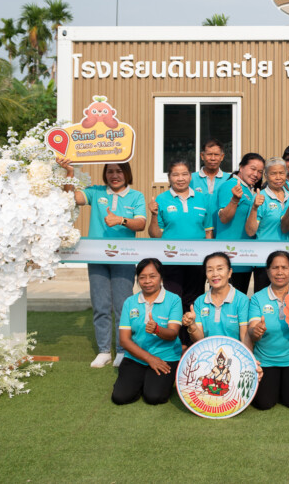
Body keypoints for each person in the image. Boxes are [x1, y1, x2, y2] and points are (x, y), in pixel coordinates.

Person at [58, 159, 146, 369]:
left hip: (124, 258)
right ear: (105, 174)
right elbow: (71, 198)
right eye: (110, 171)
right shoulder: (96, 192)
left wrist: (121, 220)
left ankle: (123, 350)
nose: (114, 175)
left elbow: (141, 223)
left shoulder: (136, 196)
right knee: (100, 305)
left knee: (123, 306)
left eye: (119, 171)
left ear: (127, 173)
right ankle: (104, 351)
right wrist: (69, 172)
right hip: (97, 257)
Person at [148, 159, 212, 334]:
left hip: (197, 261)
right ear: (169, 177)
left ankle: (191, 340)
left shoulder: (202, 198)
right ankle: (174, 340)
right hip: (171, 261)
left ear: (190, 176)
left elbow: (208, 232)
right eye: (175, 175)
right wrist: (153, 215)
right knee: (174, 300)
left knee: (194, 301)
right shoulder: (161, 199)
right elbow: (155, 234)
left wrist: (208, 262)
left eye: (184, 174)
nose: (180, 178)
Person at [111, 258, 182, 405]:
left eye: (152, 276)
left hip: (165, 357)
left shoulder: (174, 300)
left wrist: (157, 329)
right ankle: (141, 380)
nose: (147, 281)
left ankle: (155, 381)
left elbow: (172, 334)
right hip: (136, 357)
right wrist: (150, 359)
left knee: (154, 397)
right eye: (142, 277)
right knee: (120, 397)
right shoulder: (130, 302)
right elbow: (124, 340)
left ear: (161, 277)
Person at [248, 250, 289, 410]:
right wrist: (256, 331)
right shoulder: (257, 298)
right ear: (267, 271)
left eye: (284, 267)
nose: (280, 272)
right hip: (266, 359)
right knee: (264, 403)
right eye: (275, 267)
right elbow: (252, 331)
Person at [215, 153, 265, 293]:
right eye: (252, 169)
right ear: (241, 167)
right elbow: (224, 218)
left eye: (260, 172)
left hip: (244, 258)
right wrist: (235, 200)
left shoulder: (249, 189)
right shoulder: (230, 186)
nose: (256, 174)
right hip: (230, 258)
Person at [180, 252, 252, 347]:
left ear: (229, 272)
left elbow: (245, 338)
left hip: (234, 354)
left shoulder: (242, 300)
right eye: (210, 270)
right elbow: (199, 340)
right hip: (208, 353)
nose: (215, 274)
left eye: (220, 269)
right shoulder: (200, 301)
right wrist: (192, 325)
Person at [246, 157, 289, 291]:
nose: (278, 177)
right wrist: (254, 208)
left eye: (281, 173)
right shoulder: (261, 197)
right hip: (264, 260)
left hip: (285, 260)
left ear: (286, 174)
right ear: (266, 176)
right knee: (263, 298)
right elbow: (250, 231)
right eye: (273, 174)